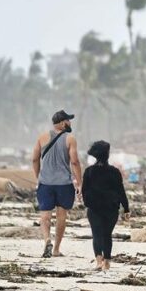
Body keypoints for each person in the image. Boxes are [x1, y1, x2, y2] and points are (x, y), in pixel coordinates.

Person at [31, 110, 83, 258]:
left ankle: (47, 239)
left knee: (45, 215)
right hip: (64, 184)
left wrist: (38, 177)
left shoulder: (42, 137)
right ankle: (56, 249)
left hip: (45, 183)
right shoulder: (70, 139)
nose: (70, 123)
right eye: (68, 120)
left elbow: (35, 159)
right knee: (61, 216)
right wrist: (80, 183)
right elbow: (74, 162)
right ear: (62, 123)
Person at [82, 140, 129, 271]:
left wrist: (88, 202)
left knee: (96, 234)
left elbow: (84, 190)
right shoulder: (114, 172)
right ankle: (107, 262)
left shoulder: (89, 171)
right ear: (107, 155)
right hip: (111, 208)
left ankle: (98, 261)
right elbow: (121, 190)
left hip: (94, 208)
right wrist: (126, 208)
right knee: (107, 234)